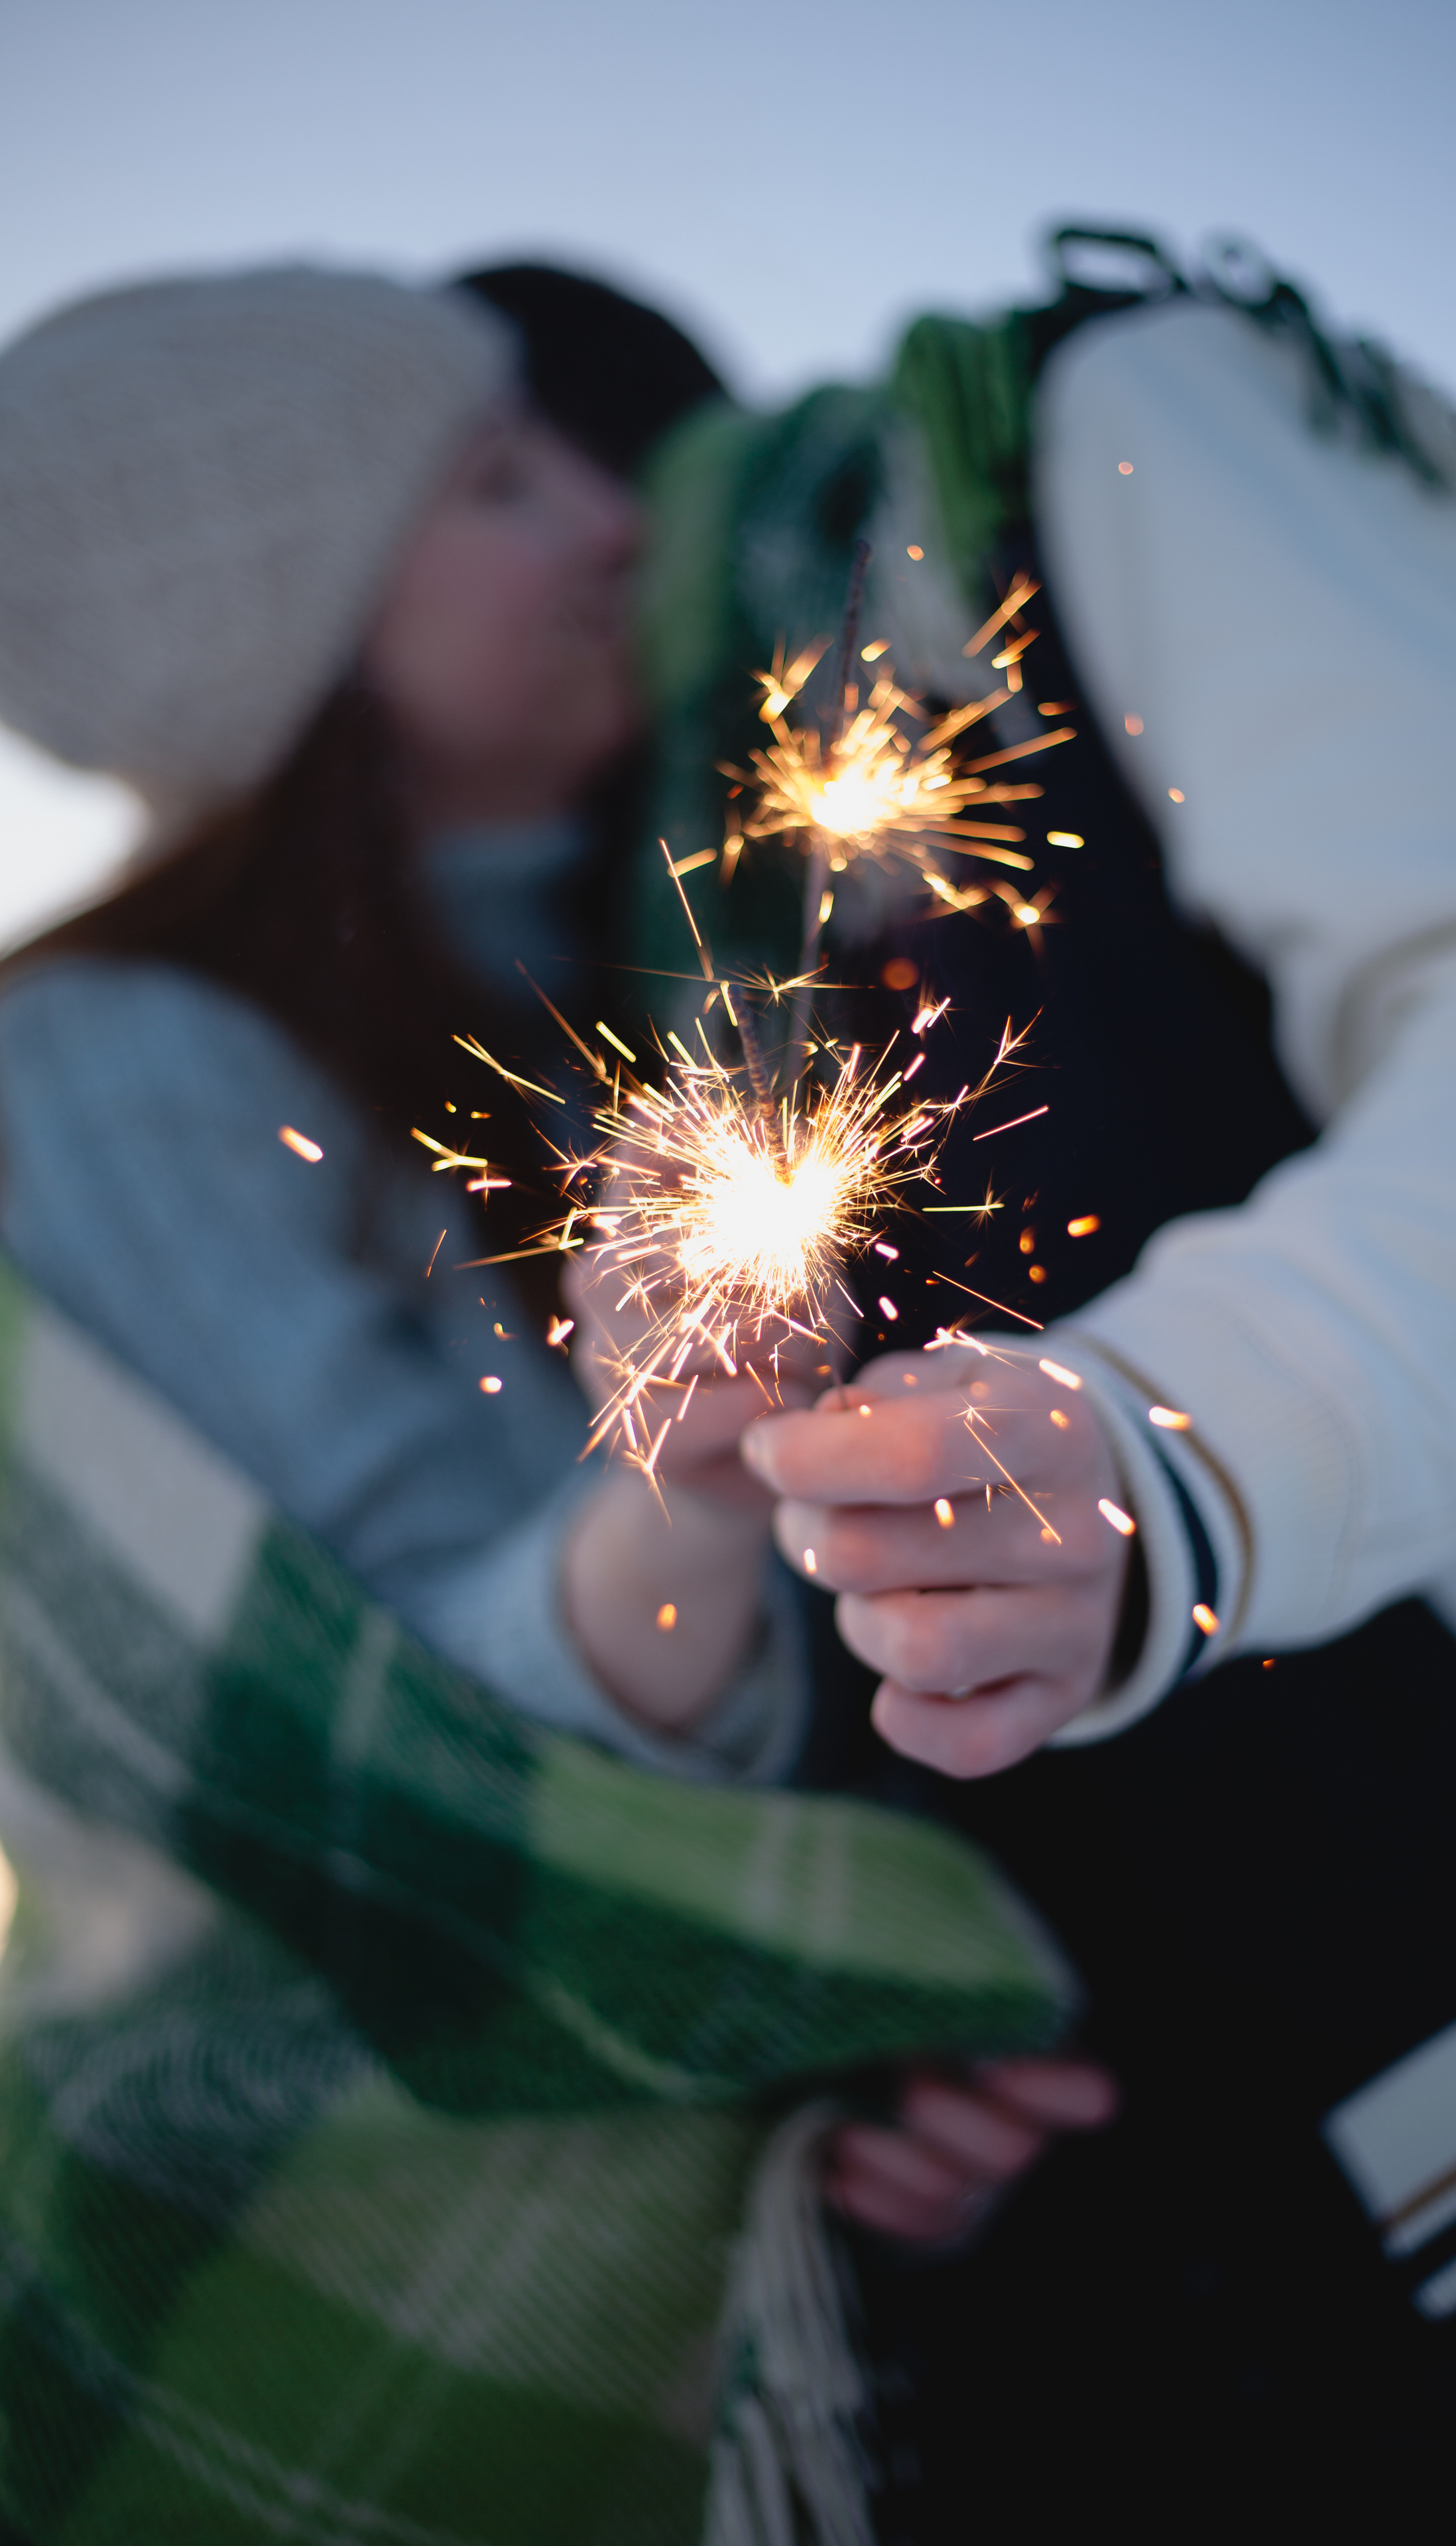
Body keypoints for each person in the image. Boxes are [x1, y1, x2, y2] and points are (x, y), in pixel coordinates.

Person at [0, 260, 1113, 2542]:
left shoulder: (638, 956)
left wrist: (872, 2054)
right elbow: (414, 1737)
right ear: (287, 632)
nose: (612, 523)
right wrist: (686, 1498)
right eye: (495, 481)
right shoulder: (113, 1069)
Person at [628, 225, 1456, 2522]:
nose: (548, 555)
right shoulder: (713, 899)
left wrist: (1178, 1446)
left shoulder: (1107, 436)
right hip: (1294, 2238)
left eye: (505, 473)